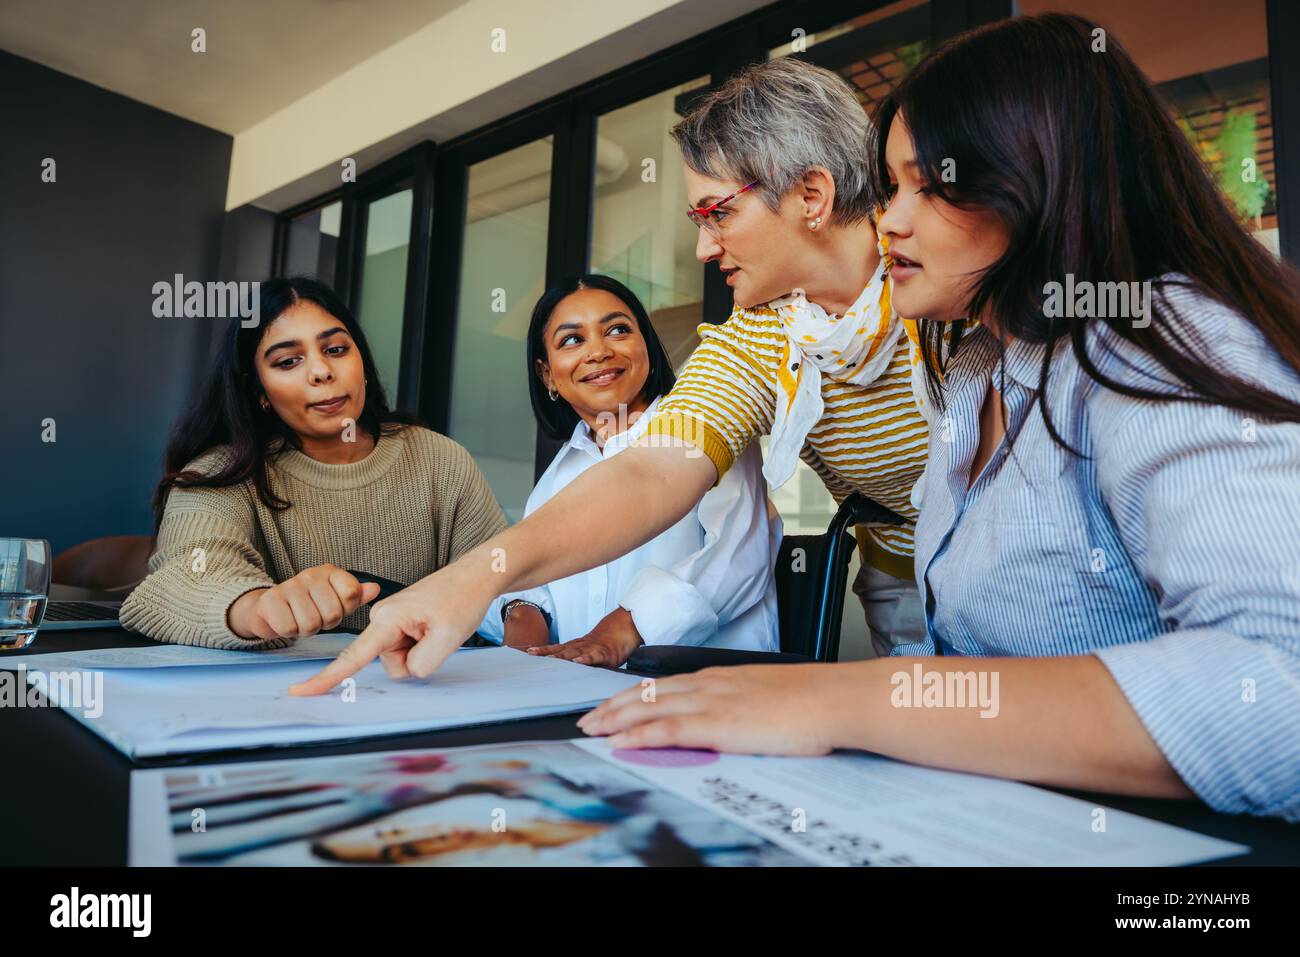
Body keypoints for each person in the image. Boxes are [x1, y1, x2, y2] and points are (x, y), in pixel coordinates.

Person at [298, 15, 1300, 820]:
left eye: (714, 214)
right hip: (965, 675)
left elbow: (1270, 692)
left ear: (811, 195)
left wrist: (841, 697)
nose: (701, 249)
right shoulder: (847, 340)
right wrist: (477, 575)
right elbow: (657, 468)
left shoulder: (1012, 317)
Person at [120, 277, 507, 648]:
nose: (321, 371)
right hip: (279, 701)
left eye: (336, 350)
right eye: (288, 361)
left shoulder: (439, 459)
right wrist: (259, 608)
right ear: (259, 391)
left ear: (362, 363)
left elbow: (501, 578)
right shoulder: (220, 474)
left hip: (427, 690)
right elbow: (182, 579)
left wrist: (521, 616)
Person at [477, 275, 781, 667]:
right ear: (547, 375)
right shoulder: (559, 473)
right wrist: (521, 610)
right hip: (579, 694)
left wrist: (625, 627)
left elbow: (739, 558)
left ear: (646, 346)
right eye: (572, 340)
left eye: (618, 330)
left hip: (703, 690)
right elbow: (534, 580)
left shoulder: (704, 428)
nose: (599, 352)